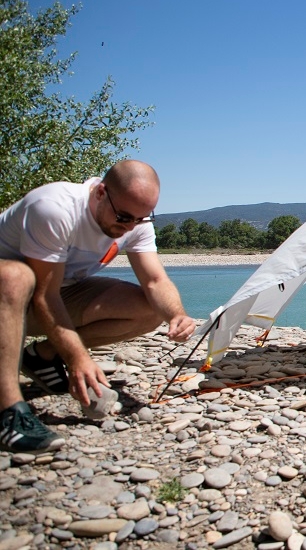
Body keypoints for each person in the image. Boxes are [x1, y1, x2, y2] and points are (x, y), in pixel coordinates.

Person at [0, 160, 197, 453]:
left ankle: (41, 357)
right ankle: (9, 411)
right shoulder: (54, 207)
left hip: (47, 295)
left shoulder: (134, 221)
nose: (129, 226)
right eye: (124, 216)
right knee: (16, 276)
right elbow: (45, 296)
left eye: (141, 218)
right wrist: (78, 357)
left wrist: (177, 315)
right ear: (100, 192)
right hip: (14, 294)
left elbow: (155, 281)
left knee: (148, 308)